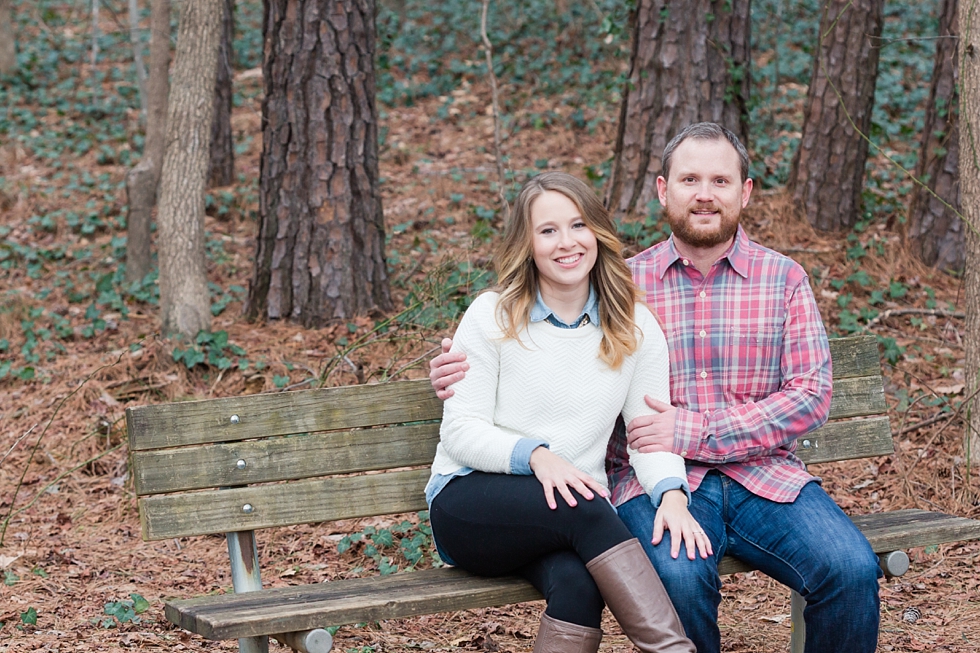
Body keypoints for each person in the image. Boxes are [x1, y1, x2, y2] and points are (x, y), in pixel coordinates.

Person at [429, 123, 882, 653]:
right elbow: (485, 391)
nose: (706, 194)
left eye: (720, 180)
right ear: (664, 190)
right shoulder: (621, 286)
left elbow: (809, 395)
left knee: (850, 569)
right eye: (690, 179)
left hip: (761, 477)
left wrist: (682, 457)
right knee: (674, 573)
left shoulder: (763, 284)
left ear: (746, 191)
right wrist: (462, 386)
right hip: (597, 488)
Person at [426, 171, 698, 653]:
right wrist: (537, 456)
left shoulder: (633, 324)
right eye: (548, 230)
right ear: (527, 244)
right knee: (586, 503)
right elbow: (461, 433)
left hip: (566, 513)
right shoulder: (492, 315)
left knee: (578, 584)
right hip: (471, 503)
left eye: (578, 226)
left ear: (597, 232)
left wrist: (672, 493)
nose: (566, 243)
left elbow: (647, 432)